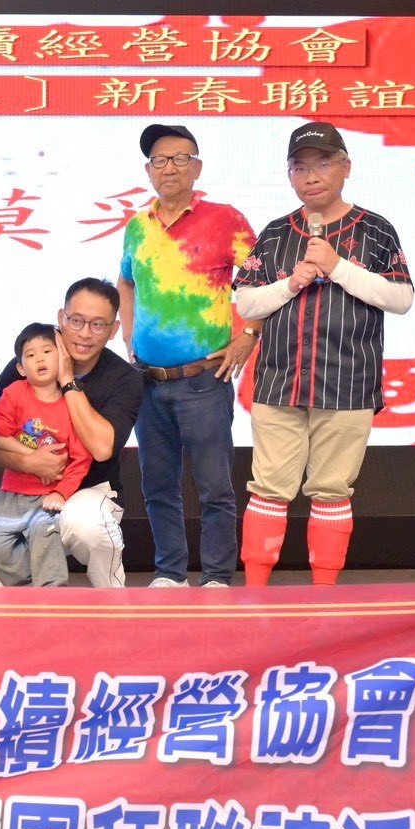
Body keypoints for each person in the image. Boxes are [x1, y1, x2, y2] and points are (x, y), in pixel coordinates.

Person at [234, 121, 415, 586]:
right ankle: (254, 592)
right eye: (300, 168)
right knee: (268, 488)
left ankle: (324, 595)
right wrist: (290, 284)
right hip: (279, 381)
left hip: (348, 383)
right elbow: (247, 303)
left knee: (332, 490)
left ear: (345, 167)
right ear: (289, 176)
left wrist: (337, 267)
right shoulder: (276, 233)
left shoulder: (376, 230)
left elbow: (401, 298)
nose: (311, 176)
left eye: (323, 164)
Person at [118, 124, 259, 588]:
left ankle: (217, 575)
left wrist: (248, 335)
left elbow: (262, 282)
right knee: (158, 486)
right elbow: (126, 282)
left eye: (181, 158)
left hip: (204, 379)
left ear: (197, 168)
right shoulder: (137, 226)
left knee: (214, 487)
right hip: (148, 380)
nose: (170, 168)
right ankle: (170, 572)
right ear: (148, 171)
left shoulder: (225, 219)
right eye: (160, 160)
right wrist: (128, 335)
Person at [0, 278, 144, 588]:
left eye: (98, 325)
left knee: (85, 524)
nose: (84, 333)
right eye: (76, 320)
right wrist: (28, 462)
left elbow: (101, 449)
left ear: (114, 330)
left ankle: (112, 597)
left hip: (90, 491)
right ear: (61, 318)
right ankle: (38, 593)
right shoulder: (27, 363)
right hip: (27, 496)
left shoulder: (125, 378)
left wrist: (67, 381)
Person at [0, 323, 92, 586]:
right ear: (21, 368)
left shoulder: (72, 403)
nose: (40, 359)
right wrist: (33, 457)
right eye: (31, 355)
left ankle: (51, 594)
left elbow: (81, 459)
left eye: (47, 351)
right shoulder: (13, 393)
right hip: (11, 493)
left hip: (47, 497)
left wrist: (61, 492)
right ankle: (29, 587)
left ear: (62, 358)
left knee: (45, 537)